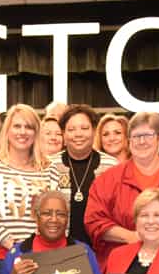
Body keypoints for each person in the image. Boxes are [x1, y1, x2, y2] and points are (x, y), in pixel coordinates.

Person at [85, 111, 159, 267]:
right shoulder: (107, 180)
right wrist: (131, 237)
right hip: (124, 265)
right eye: (136, 136)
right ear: (129, 141)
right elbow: (94, 221)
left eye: (148, 135)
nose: (142, 141)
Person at [0, 103, 63, 256]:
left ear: (36, 133)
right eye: (17, 126)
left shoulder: (50, 170)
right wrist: (13, 246)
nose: (22, 132)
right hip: (0, 256)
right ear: (7, 131)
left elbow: (59, 213)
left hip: (41, 254)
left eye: (29, 127)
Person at [51, 105, 119, 245]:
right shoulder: (49, 165)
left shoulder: (112, 166)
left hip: (101, 247)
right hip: (59, 248)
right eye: (71, 129)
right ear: (63, 133)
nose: (78, 134)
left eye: (84, 128)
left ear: (94, 131)